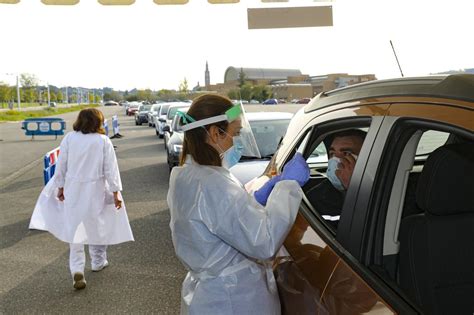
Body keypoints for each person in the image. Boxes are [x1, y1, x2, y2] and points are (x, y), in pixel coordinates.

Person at [167, 94, 310, 314]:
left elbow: (219, 219)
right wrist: (287, 186)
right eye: (235, 133)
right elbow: (265, 241)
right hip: (234, 297)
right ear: (216, 133)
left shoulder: (186, 174)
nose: (238, 141)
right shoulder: (213, 182)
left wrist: (251, 201)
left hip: (212, 295)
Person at [29, 108, 134, 290]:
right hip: (96, 189)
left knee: (75, 229)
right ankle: (97, 261)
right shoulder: (103, 141)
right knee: (98, 225)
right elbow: (110, 169)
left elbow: (61, 165)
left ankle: (77, 269)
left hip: (73, 188)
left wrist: (60, 187)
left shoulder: (70, 138)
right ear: (98, 122)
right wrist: (116, 192)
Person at [306, 129, 366, 229]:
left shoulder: (387, 190)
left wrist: (354, 188)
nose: (335, 161)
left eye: (346, 153)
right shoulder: (317, 198)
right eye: (332, 154)